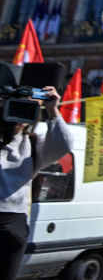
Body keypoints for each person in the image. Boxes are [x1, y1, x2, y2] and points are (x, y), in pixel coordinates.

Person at [0, 82, 72, 277]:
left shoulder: (32, 144)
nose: (18, 114)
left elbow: (64, 143)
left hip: (12, 221)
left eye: (26, 108)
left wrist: (52, 110)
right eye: (14, 105)